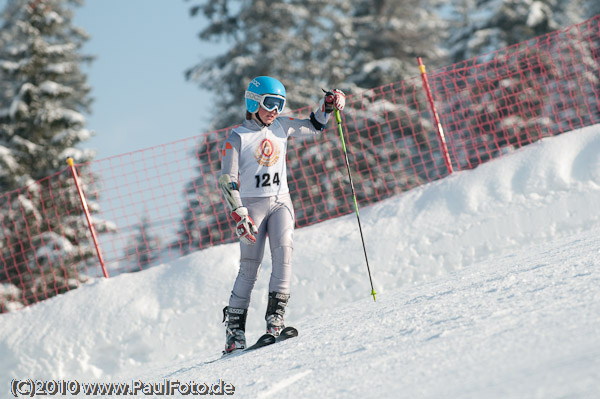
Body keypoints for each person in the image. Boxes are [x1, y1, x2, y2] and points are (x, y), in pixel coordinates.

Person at [218, 76, 345, 353]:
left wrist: (328, 105)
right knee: (250, 268)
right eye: (269, 103)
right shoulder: (238, 137)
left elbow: (315, 125)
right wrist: (239, 213)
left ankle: (275, 319)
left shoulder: (282, 126)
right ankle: (234, 332)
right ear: (253, 102)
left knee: (284, 254)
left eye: (279, 104)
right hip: (252, 208)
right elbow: (227, 179)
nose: (274, 110)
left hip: (281, 202)